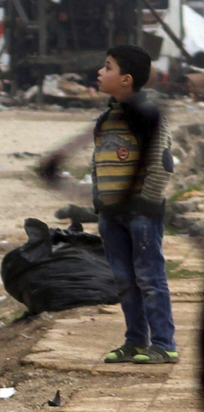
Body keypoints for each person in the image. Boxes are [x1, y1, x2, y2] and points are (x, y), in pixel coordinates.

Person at [92, 44, 177, 365]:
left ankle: (164, 344)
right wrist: (100, 200)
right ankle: (136, 341)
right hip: (111, 215)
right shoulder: (106, 118)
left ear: (126, 79)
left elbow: (162, 165)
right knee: (124, 280)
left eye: (108, 67)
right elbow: (98, 162)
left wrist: (145, 204)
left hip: (141, 215)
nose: (100, 72)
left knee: (150, 279)